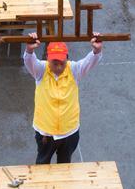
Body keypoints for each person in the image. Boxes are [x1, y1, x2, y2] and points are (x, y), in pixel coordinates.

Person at [23, 32, 102, 165]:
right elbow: (29, 61)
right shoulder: (40, 70)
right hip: (45, 133)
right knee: (42, 164)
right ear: (47, 59)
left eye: (62, 63)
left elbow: (90, 61)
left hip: (69, 132)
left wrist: (96, 50)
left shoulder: (74, 70)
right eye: (54, 63)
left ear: (67, 58)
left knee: (65, 166)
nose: (59, 67)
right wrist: (29, 50)